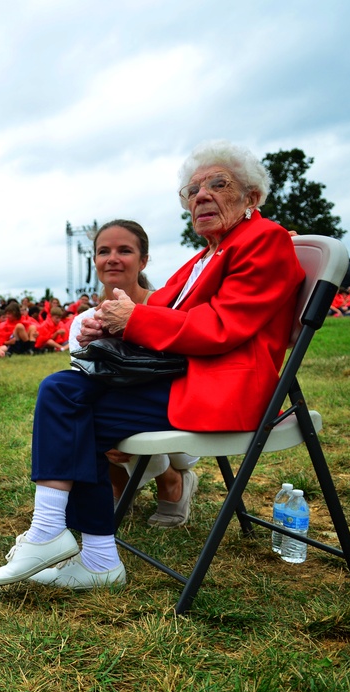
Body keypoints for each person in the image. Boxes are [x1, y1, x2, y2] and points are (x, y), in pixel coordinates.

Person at [0, 140, 305, 592]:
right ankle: (82, 550)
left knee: (67, 402)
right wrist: (112, 328)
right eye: (191, 191)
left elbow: (221, 327)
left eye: (217, 184)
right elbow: (165, 309)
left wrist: (133, 320)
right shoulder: (207, 255)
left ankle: (66, 541)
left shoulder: (263, 240)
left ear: (251, 197)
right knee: (64, 393)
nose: (200, 196)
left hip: (224, 389)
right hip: (190, 376)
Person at [68, 219, 200, 528]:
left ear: (143, 260)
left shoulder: (166, 308)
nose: (112, 258)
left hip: (173, 422)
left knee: (108, 417)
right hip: (119, 426)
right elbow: (86, 382)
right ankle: (117, 483)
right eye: (103, 251)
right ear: (95, 261)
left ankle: (171, 481)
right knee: (84, 407)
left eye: (124, 250)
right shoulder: (83, 322)